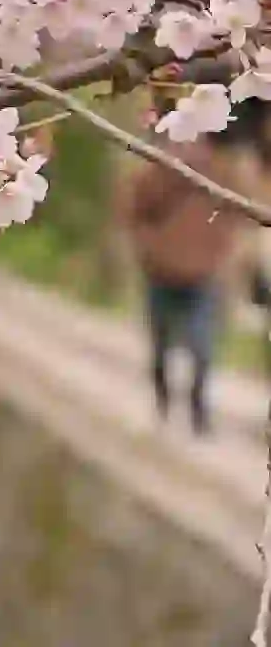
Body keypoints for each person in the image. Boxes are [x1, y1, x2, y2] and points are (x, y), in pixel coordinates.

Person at [117, 93, 268, 437]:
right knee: (163, 343)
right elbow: (133, 208)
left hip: (205, 273)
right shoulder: (159, 169)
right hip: (163, 270)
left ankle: (195, 408)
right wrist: (147, 248)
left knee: (200, 345)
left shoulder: (224, 171)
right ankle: (166, 401)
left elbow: (245, 210)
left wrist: (230, 252)